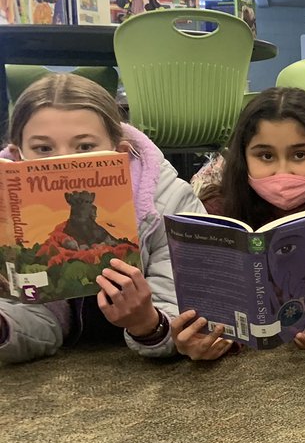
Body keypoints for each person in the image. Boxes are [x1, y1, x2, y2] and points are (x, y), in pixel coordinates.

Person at [0, 73, 204, 365]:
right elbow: (31, 318)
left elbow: (186, 313)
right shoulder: (7, 207)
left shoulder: (169, 201)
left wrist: (148, 323)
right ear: (18, 156)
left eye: (84, 147)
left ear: (119, 152)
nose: (64, 163)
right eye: (43, 149)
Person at [177, 87, 305, 359]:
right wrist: (204, 338)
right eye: (265, 156)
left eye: (300, 155)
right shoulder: (217, 209)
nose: (283, 172)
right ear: (243, 157)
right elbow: (210, 299)